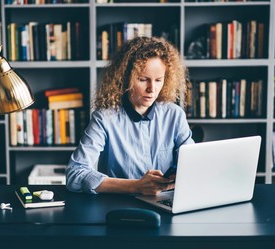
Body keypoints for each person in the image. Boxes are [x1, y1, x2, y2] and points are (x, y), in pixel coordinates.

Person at [66, 36, 194, 195]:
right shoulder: (105, 118)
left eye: (159, 80)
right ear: (125, 78)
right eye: (142, 80)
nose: (152, 89)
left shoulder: (174, 115)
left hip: (167, 205)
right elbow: (75, 174)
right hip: (120, 208)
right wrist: (135, 186)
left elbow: (193, 162)